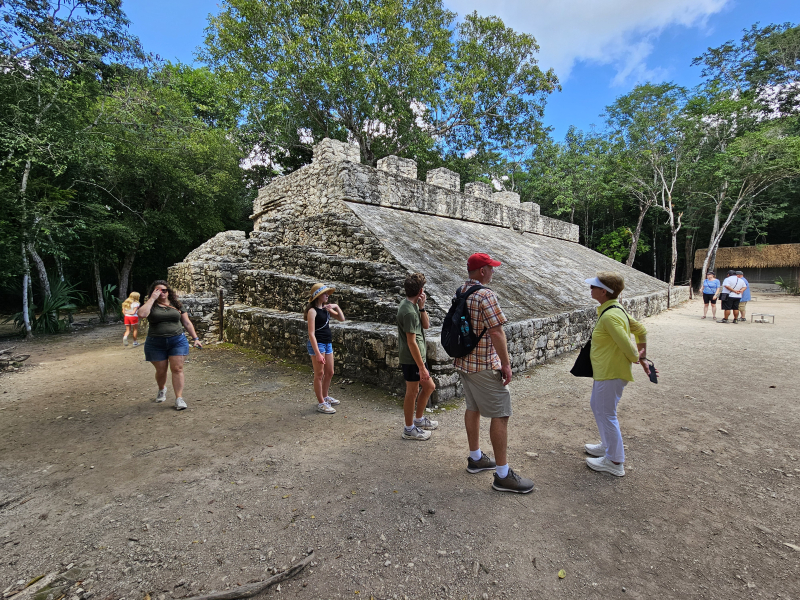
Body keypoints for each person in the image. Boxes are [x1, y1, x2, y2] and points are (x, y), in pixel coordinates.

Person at [455, 253, 534, 494]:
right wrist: (506, 364)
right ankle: (502, 475)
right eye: (491, 268)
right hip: (484, 365)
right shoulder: (485, 295)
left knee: (473, 408)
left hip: (464, 362)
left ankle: (476, 458)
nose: (493, 271)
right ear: (482, 271)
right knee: (501, 414)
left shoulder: (461, 291)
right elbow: (497, 332)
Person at [583, 272, 654, 477]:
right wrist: (642, 356)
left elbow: (627, 346)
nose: (590, 289)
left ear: (604, 292)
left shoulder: (610, 315)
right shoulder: (614, 308)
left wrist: (639, 358)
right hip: (606, 370)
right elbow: (641, 330)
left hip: (611, 371)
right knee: (598, 406)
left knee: (607, 413)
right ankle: (608, 446)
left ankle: (615, 461)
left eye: (594, 287)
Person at [137, 280, 202, 411]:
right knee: (161, 371)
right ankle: (162, 389)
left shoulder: (176, 304)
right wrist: (152, 299)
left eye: (164, 290)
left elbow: (187, 322)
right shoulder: (151, 305)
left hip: (177, 341)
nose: (161, 292)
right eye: (158, 290)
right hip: (156, 343)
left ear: (168, 292)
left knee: (177, 369)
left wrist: (195, 338)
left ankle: (179, 398)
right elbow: (142, 314)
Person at [397, 273, 438, 440]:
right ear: (420, 290)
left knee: (429, 387)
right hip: (412, 359)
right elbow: (411, 342)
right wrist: (421, 367)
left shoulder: (413, 306)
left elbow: (426, 325)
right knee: (412, 391)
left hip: (418, 358)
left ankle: (419, 420)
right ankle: (409, 429)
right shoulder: (408, 312)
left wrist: (422, 307)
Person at [304, 283, 346, 414]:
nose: (327, 295)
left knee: (330, 372)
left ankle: (325, 396)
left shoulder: (325, 309)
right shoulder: (312, 311)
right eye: (325, 293)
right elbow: (311, 334)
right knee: (319, 374)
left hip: (328, 343)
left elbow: (341, 318)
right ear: (318, 296)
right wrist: (317, 353)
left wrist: (336, 306)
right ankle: (321, 402)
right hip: (318, 344)